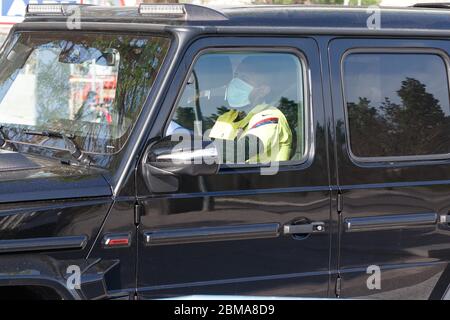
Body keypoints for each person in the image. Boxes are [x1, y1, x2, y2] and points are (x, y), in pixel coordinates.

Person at [209, 56, 292, 163]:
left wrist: (195, 146)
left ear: (262, 91)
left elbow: (242, 151)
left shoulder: (270, 116)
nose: (235, 82)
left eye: (243, 78)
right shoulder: (225, 117)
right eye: (236, 75)